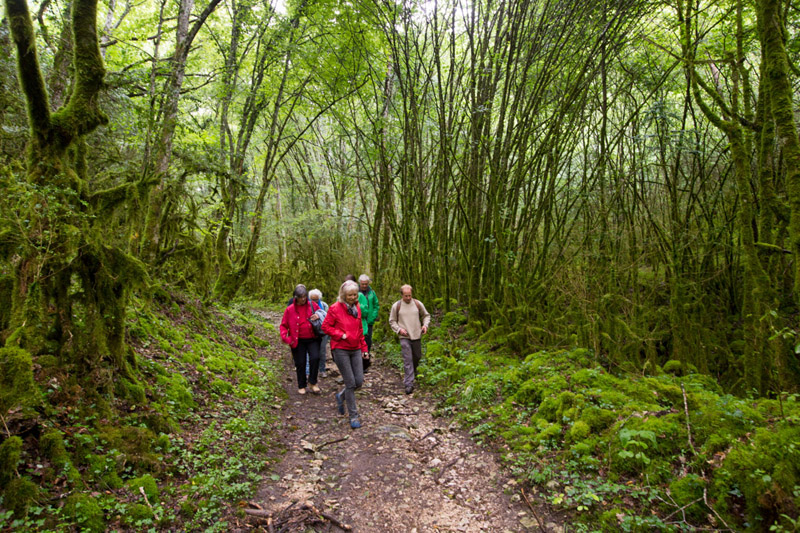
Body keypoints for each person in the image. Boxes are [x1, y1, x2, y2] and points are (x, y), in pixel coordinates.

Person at [322, 280, 369, 429]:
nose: (353, 297)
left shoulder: (357, 308)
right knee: (350, 383)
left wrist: (364, 348)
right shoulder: (335, 308)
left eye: (355, 295)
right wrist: (340, 335)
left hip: (355, 348)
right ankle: (354, 416)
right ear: (343, 295)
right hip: (340, 348)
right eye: (350, 295)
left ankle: (341, 396)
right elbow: (325, 326)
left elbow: (360, 329)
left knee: (359, 381)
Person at [280, 285, 325, 395]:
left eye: (305, 296)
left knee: (315, 358)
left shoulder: (312, 305)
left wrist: (318, 316)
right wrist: (286, 337)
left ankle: (313, 382)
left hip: (313, 338)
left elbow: (323, 313)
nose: (303, 299)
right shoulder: (290, 310)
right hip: (297, 340)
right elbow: (283, 325)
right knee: (300, 362)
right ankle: (301, 385)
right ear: (296, 297)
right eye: (301, 297)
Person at [388, 284, 431, 394]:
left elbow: (426, 315)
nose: (408, 298)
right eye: (406, 296)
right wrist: (399, 330)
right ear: (401, 295)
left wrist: (425, 325)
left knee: (417, 356)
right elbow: (392, 320)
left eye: (409, 295)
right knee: (408, 360)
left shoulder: (417, 304)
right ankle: (409, 384)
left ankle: (414, 371)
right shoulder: (396, 306)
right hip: (404, 336)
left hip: (416, 334)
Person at [358, 274, 379, 371]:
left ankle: (365, 363)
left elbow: (376, 305)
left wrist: (373, 316)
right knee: (358, 341)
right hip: (358, 321)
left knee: (367, 342)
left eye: (366, 284)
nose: (364, 286)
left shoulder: (372, 293)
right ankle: (358, 362)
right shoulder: (355, 292)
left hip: (368, 321)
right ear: (360, 283)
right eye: (362, 284)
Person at [309, 289, 330, 378]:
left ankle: (322, 369)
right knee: (312, 351)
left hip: (323, 332)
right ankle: (311, 370)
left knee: (322, 351)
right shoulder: (307, 306)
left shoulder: (324, 306)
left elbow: (329, 318)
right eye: (312, 299)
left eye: (316, 299)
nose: (314, 301)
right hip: (311, 331)